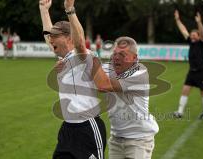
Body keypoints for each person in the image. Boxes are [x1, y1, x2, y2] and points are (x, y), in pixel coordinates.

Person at [64, 1, 159, 158]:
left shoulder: (139, 73)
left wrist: (90, 58)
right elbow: (80, 52)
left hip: (139, 140)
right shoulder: (109, 68)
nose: (116, 58)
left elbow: (103, 84)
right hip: (116, 138)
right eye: (115, 53)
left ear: (135, 58)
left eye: (122, 54)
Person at [39, 0, 106, 159]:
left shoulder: (83, 55)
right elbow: (49, 34)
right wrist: (43, 10)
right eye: (50, 37)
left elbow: (80, 42)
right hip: (68, 129)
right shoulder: (64, 58)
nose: (50, 39)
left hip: (88, 128)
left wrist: (70, 10)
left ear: (69, 38)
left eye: (55, 36)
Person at [173, 10, 203, 120]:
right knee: (185, 90)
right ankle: (180, 112)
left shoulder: (202, 43)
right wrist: (177, 20)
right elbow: (183, 30)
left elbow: (202, 33)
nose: (192, 36)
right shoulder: (191, 42)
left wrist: (199, 22)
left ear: (198, 36)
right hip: (192, 72)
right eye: (192, 35)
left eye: (194, 35)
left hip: (201, 72)